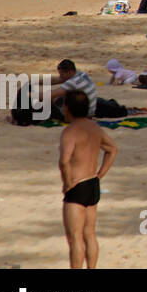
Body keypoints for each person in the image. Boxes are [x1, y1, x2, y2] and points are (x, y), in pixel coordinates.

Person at [58, 90, 118, 269]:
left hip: (77, 186)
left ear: (67, 108)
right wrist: (100, 174)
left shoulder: (70, 131)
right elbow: (112, 149)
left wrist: (67, 183)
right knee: (90, 234)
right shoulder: (95, 128)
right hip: (93, 183)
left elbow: (64, 161)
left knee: (75, 238)